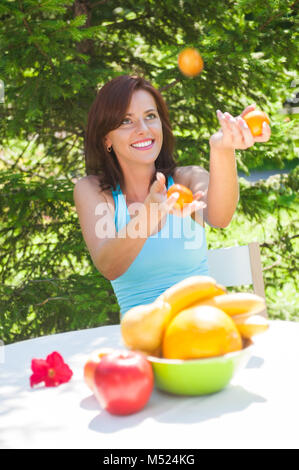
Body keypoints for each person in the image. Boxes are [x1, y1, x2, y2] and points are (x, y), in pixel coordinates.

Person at [74, 75, 270, 318]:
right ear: (106, 139)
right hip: (144, 339)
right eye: (126, 120)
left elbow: (220, 217)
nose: (143, 129)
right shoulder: (93, 191)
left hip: (206, 327)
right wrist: (148, 215)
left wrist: (222, 147)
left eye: (150, 116)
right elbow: (109, 266)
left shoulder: (187, 178)